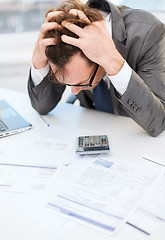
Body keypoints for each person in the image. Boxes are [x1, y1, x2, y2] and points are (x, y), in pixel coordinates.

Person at [28, 0, 165, 137]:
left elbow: (158, 123)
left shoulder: (149, 33)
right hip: (91, 130)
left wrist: (113, 62)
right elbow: (42, 107)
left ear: (99, 59)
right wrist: (39, 62)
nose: (74, 91)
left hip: (134, 137)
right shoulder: (64, 42)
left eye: (82, 82)